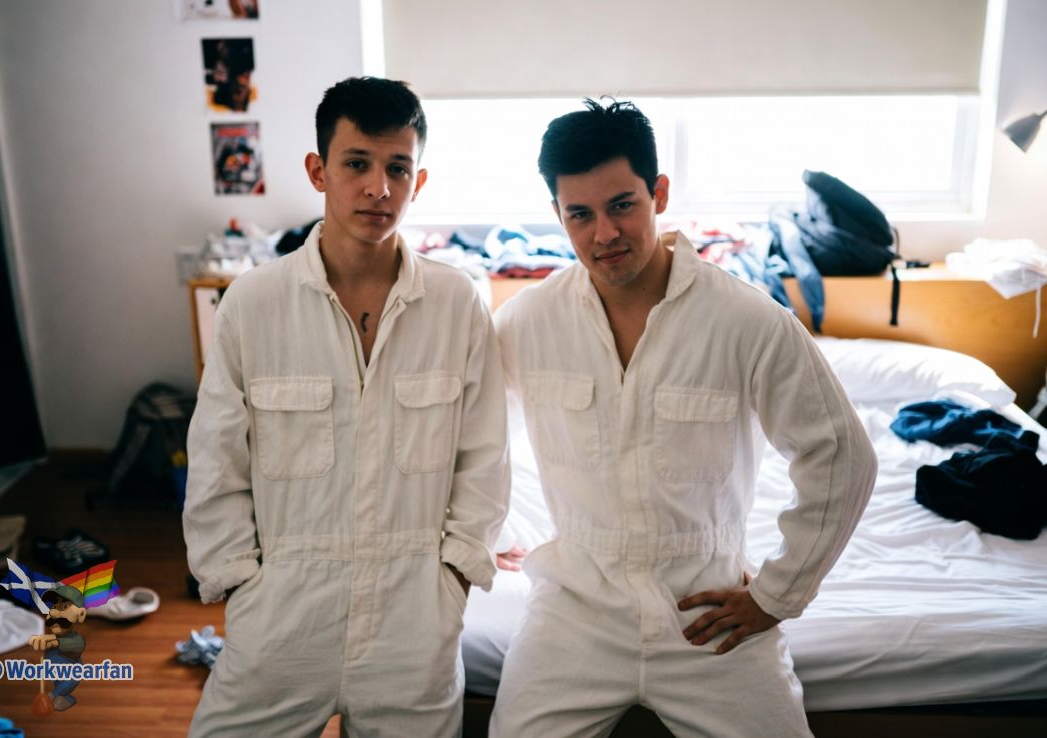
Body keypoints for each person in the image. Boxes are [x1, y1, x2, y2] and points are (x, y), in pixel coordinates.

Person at [489, 99, 878, 738]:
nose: (604, 234)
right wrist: (492, 532)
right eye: (580, 214)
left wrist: (776, 595)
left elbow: (842, 456)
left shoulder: (748, 320)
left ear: (659, 193)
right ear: (557, 214)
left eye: (622, 205)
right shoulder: (526, 322)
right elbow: (473, 438)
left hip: (708, 609)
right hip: (574, 610)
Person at [183, 76, 510, 737]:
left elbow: (485, 458)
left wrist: (453, 580)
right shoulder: (253, 304)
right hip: (281, 619)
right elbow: (216, 460)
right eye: (357, 164)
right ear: (318, 171)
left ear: (418, 181)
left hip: (414, 628)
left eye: (398, 169)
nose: (378, 188)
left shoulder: (457, 303)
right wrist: (239, 585)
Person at [27, 585, 87, 712]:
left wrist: (54, 641)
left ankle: (53, 696)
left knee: (69, 679)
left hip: (70, 670)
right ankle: (64, 698)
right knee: (60, 684)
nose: (53, 613)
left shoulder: (76, 639)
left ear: (81, 614)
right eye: (54, 607)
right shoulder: (50, 638)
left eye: (64, 607)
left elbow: (76, 644)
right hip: (53, 669)